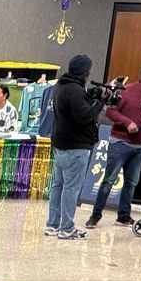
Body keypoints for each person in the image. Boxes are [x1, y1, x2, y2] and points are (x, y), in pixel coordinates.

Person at [88, 62, 141, 229]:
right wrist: (127, 122)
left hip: (139, 145)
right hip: (120, 142)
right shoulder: (127, 90)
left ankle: (123, 216)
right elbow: (110, 111)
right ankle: (95, 216)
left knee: (131, 182)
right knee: (109, 180)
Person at [46, 53, 101, 239]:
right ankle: (66, 228)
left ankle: (52, 224)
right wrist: (100, 103)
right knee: (71, 188)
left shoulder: (60, 86)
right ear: (85, 72)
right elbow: (85, 116)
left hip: (60, 144)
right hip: (75, 146)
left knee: (58, 186)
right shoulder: (74, 90)